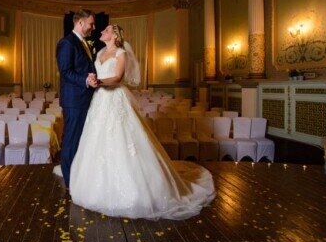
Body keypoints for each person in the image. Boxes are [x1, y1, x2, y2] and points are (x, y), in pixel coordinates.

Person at [68, 24, 216, 220]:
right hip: (100, 100)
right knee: (97, 138)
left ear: (114, 35)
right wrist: (92, 80)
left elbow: (118, 77)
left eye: (106, 30)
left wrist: (99, 82)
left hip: (115, 98)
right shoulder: (100, 52)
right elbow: (97, 73)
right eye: (102, 30)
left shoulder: (121, 53)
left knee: (123, 138)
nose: (101, 31)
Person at [56, 9, 98, 189]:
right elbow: (65, 72)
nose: (93, 27)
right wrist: (85, 80)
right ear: (80, 23)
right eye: (91, 23)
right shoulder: (67, 43)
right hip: (74, 101)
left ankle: (78, 177)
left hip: (84, 99)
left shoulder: (83, 43)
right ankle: (69, 181)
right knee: (71, 141)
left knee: (81, 140)